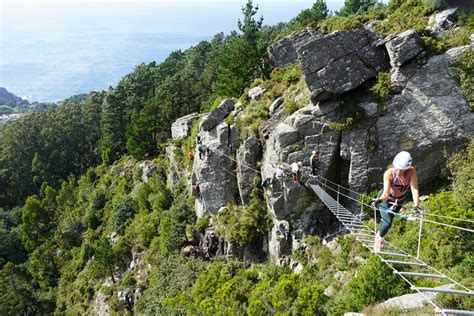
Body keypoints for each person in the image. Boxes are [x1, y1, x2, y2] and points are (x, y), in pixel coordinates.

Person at [371, 151, 421, 253]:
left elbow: (414, 188)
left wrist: (416, 205)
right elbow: (385, 194)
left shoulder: (411, 171)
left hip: (399, 201)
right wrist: (378, 201)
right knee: (388, 222)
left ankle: (380, 234)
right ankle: (378, 239)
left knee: (389, 220)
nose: (398, 172)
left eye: (402, 170)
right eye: (397, 169)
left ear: (407, 168)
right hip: (386, 199)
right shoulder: (389, 173)